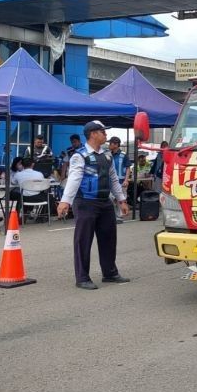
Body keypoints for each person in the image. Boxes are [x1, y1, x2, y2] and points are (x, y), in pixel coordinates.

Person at [57, 120, 130, 290]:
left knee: (109, 238)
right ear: (93, 134)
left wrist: (121, 200)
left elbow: (112, 178)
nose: (106, 135)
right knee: (83, 241)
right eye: (103, 132)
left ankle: (110, 273)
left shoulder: (107, 155)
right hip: (85, 203)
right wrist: (65, 201)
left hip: (105, 202)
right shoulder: (79, 156)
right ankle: (82, 277)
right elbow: (74, 178)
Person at [108, 136, 131, 223]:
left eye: (111, 143)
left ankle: (119, 217)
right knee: (110, 199)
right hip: (111, 182)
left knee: (120, 199)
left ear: (116, 145)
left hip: (121, 181)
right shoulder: (109, 155)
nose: (109, 145)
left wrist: (126, 180)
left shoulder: (123, 155)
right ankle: (113, 216)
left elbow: (128, 167)